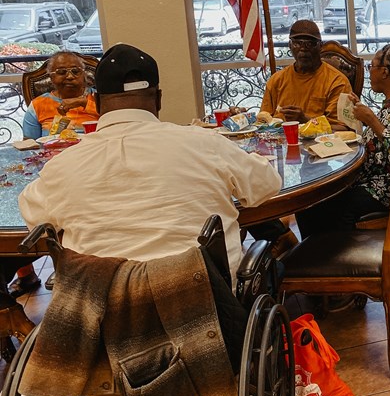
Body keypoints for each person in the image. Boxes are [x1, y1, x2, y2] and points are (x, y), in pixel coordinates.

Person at [19, 44, 282, 280]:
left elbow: (36, 219)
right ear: (158, 99)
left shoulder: (62, 167)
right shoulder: (206, 143)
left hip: (105, 318)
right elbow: (266, 184)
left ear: (97, 103)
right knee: (274, 268)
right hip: (207, 305)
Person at [296, 44, 390, 235]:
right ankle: (317, 255)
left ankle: (342, 259)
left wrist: (371, 119)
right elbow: (384, 134)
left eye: (371, 66)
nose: (369, 72)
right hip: (381, 178)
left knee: (327, 206)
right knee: (313, 201)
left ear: (385, 72)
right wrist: (359, 117)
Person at [8, 52, 101, 297]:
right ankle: (26, 274)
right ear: (51, 77)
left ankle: (73, 262)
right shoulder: (39, 105)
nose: (69, 77)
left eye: (75, 71)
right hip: (50, 167)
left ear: (85, 75)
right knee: (21, 199)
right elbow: (30, 144)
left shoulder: (98, 100)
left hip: (91, 163)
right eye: (61, 72)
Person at [260, 19, 351, 129]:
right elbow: (263, 121)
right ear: (290, 45)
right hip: (280, 142)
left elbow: (342, 129)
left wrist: (305, 120)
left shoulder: (337, 82)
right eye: (297, 43)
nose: (303, 49)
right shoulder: (276, 80)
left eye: (310, 44)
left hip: (321, 144)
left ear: (320, 46)